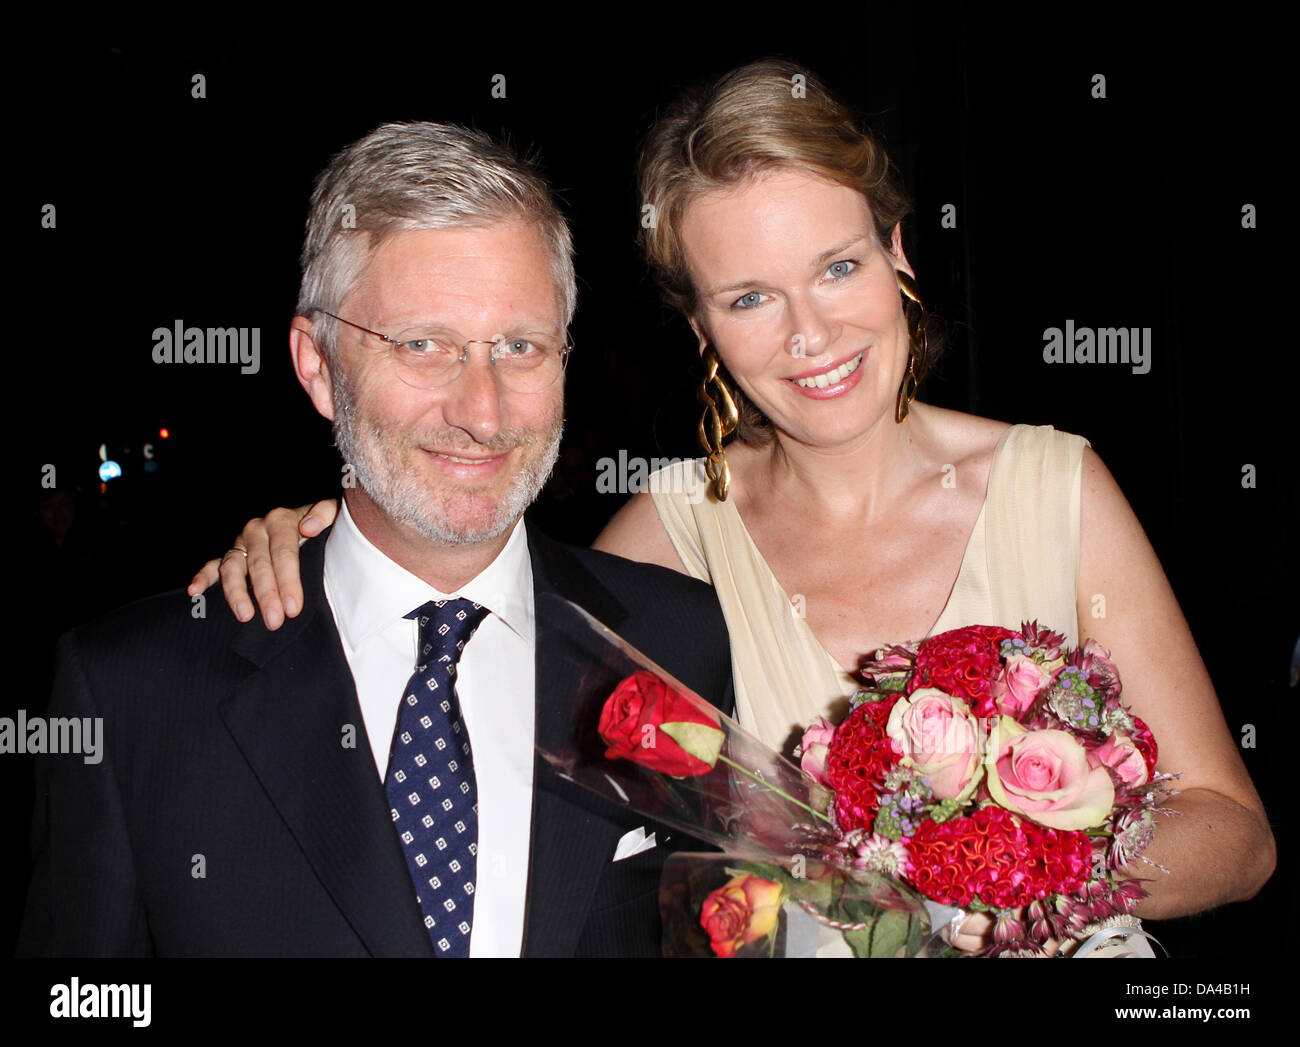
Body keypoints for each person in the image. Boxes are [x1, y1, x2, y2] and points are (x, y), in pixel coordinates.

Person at [194, 61, 1274, 947]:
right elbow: (471, 590)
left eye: (838, 267)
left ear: (898, 256)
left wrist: (1008, 871)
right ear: (701, 330)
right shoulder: (669, 538)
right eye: (750, 298)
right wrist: (315, 541)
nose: (809, 335)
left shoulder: (1055, 483)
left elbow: (1234, 836)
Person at [18, 121, 733, 958]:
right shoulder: (135, 691)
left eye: (519, 346)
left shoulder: (677, 644)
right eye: (423, 345)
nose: (483, 411)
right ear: (318, 365)